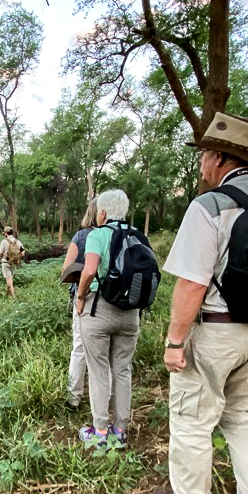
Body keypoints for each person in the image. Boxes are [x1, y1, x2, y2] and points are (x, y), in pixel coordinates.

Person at [152, 112, 248, 494]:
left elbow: (191, 282)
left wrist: (174, 342)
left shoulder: (210, 205)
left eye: (204, 156)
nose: (201, 165)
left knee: (192, 421)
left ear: (219, 158)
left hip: (217, 332)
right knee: (242, 418)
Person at [73, 189, 140, 451]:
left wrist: (80, 296)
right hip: (131, 314)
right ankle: (120, 430)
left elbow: (89, 270)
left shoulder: (98, 234)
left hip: (100, 310)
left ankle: (100, 430)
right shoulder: (138, 236)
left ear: (101, 213)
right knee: (122, 369)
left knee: (99, 369)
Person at [60, 198, 98, 409]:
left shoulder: (82, 236)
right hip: (114, 301)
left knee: (79, 348)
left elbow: (67, 269)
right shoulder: (116, 234)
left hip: (85, 298)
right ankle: (101, 399)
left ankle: (74, 398)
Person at [0, 226, 24, 298]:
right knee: (10, 278)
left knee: (9, 280)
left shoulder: (4, 241)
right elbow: (22, 253)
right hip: (14, 263)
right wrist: (16, 257)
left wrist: (0, 256)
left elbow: (0, 253)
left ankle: (13, 297)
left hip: (6, 263)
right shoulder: (18, 242)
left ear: (6, 233)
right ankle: (8, 295)